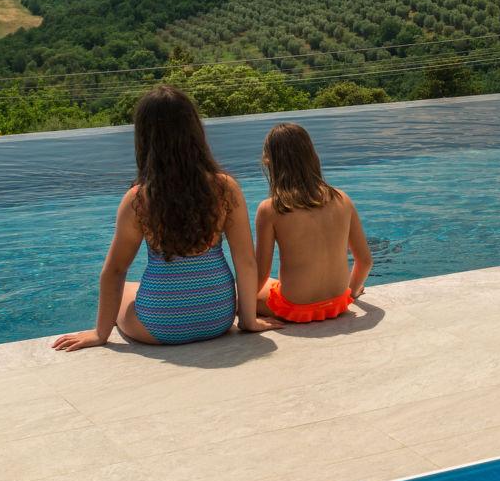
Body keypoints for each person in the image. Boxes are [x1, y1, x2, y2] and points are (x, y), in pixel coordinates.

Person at [53, 85, 274, 350]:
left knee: (126, 289)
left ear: (145, 138)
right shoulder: (225, 188)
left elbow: (114, 271)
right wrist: (248, 320)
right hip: (218, 317)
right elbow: (246, 261)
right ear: (195, 131)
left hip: (160, 326)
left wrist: (100, 333)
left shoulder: (138, 200)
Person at [253, 121, 371, 323]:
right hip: (338, 303)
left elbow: (260, 274)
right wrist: (350, 294)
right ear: (312, 156)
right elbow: (365, 261)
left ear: (269, 161)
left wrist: (241, 305)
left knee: (244, 288)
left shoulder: (270, 209)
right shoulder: (342, 199)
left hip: (296, 308)